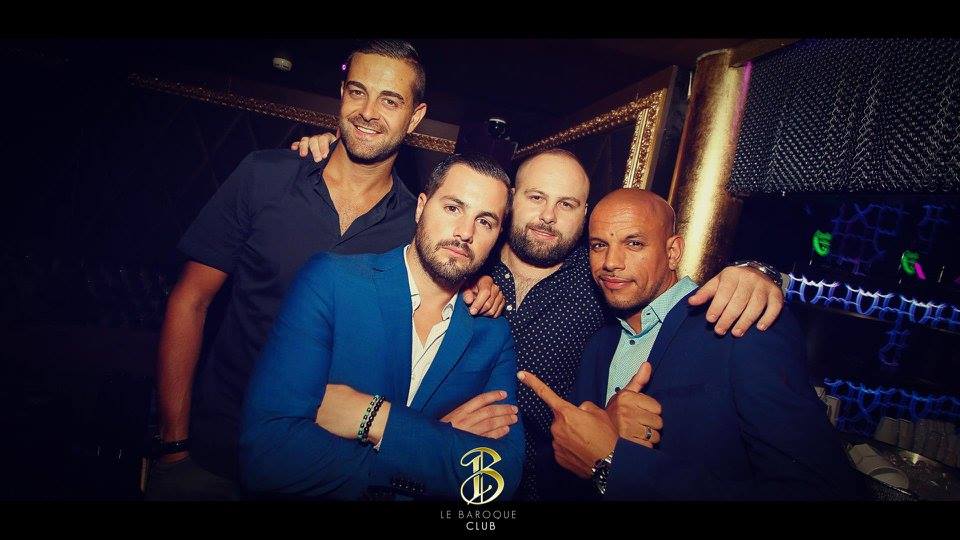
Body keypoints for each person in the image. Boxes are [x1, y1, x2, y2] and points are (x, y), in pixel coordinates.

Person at [295, 139, 788, 500]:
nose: (548, 216)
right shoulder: (458, 267)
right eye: (535, 197)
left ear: (584, 214)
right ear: (510, 201)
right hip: (430, 479)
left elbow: (660, 279)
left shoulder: (603, 285)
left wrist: (757, 273)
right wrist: (332, 154)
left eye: (566, 204)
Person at [148, 40, 506, 500]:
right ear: (341, 94)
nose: (368, 112)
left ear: (415, 117)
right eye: (358, 92)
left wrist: (477, 280)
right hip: (214, 452)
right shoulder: (265, 177)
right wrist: (173, 444)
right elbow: (190, 300)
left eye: (390, 100)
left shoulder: (417, 228)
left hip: (329, 468)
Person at [519, 188, 859, 500]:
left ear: (673, 252)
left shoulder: (739, 321)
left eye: (634, 243)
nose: (611, 262)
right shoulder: (600, 345)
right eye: (598, 245)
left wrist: (616, 462)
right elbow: (573, 465)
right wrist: (598, 436)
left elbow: (821, 491)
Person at [241, 153, 523, 500]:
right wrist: (436, 441)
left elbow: (499, 479)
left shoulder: (492, 333)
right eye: (453, 208)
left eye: (485, 222)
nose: (465, 232)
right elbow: (265, 455)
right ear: (421, 207)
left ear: (497, 236)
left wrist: (375, 418)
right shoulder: (332, 281)